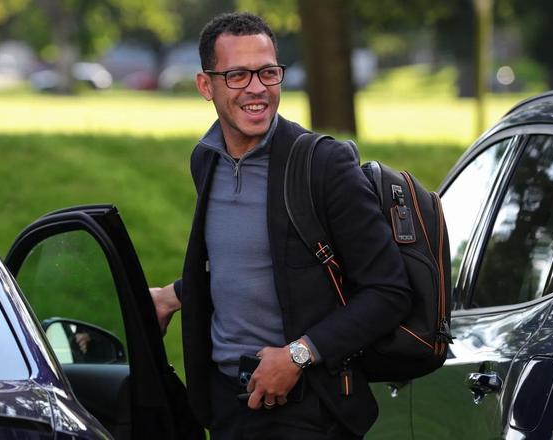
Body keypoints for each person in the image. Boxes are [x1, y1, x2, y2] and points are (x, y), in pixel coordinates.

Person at [150, 12, 412, 439]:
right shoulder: (207, 159)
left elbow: (389, 291)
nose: (257, 88)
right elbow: (251, 260)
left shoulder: (323, 165)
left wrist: (298, 355)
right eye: (237, 75)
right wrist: (174, 294)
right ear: (206, 86)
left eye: (268, 72)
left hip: (307, 409)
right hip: (226, 404)